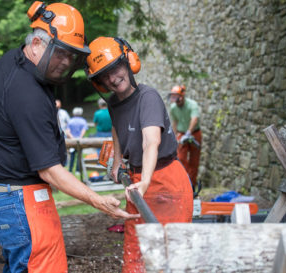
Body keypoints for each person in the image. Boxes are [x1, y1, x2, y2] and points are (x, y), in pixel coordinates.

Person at [0, 3, 138, 273]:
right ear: (38, 42)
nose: (65, 63)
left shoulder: (15, 61)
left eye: (72, 56)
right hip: (22, 199)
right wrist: (98, 201)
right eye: (61, 53)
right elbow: (50, 171)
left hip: (6, 194)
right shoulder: (26, 92)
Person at [85, 36, 193, 272]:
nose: (113, 78)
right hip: (136, 181)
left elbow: (150, 143)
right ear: (99, 82)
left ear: (129, 61)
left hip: (164, 180)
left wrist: (145, 181)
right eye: (105, 75)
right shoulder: (113, 104)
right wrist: (117, 160)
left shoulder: (148, 97)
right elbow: (116, 126)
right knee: (135, 250)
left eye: (116, 68)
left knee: (167, 254)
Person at [168, 85, 202, 188]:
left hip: (194, 133)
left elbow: (194, 119)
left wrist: (189, 133)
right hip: (181, 133)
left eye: (176, 96)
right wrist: (173, 136)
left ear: (182, 96)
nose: (175, 99)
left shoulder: (192, 105)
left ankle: (192, 185)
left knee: (194, 161)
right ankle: (183, 183)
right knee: (180, 158)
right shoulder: (173, 108)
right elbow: (174, 122)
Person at [66, 107, 88, 174]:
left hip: (72, 141)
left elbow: (67, 131)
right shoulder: (83, 121)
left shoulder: (70, 121)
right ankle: (78, 170)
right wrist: (80, 137)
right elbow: (83, 131)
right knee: (79, 156)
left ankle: (70, 170)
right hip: (80, 141)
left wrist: (72, 138)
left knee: (72, 156)